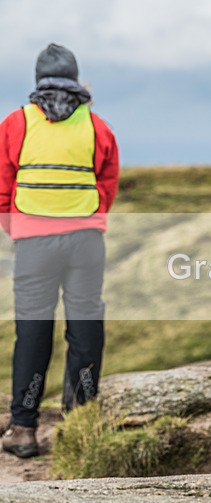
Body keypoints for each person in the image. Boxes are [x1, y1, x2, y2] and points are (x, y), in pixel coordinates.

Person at [0, 44, 119, 458]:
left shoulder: (16, 123)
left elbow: (3, 182)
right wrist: (90, 219)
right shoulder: (97, 126)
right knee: (85, 327)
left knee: (32, 331)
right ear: (75, 78)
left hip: (34, 242)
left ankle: (23, 428)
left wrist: (18, 227)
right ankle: (79, 423)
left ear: (38, 81)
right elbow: (107, 183)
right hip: (86, 241)